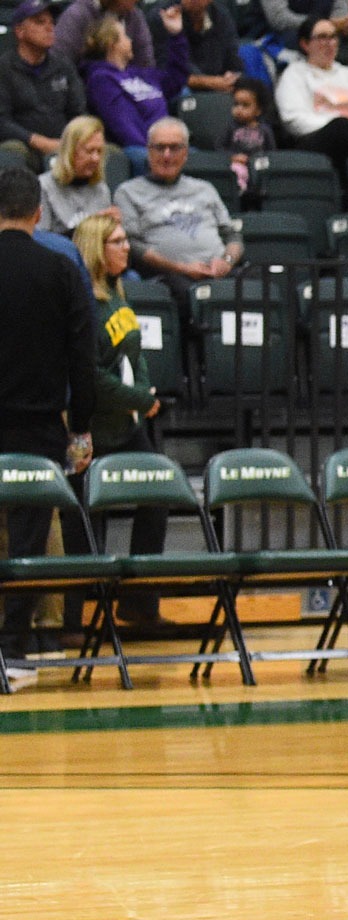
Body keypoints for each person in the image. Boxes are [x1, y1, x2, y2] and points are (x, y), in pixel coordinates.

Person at [0, 165, 95, 671]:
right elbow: (84, 358)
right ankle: (13, 647)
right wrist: (80, 426)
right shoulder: (61, 270)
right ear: (39, 212)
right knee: (29, 541)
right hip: (38, 429)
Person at [63, 211, 165, 625]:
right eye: (117, 241)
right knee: (82, 518)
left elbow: (132, 355)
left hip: (126, 426)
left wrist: (143, 394)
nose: (126, 247)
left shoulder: (119, 292)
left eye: (126, 240)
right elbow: (89, 374)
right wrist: (137, 397)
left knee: (158, 496)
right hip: (92, 425)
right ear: (95, 249)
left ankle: (139, 605)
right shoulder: (85, 301)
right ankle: (75, 618)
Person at [113, 117, 242, 314]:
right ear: (148, 151)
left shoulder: (204, 188)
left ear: (186, 153)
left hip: (220, 273)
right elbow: (133, 246)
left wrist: (227, 261)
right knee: (184, 293)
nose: (167, 155)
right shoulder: (128, 192)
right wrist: (182, 268)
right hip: (169, 278)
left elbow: (233, 236)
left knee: (259, 286)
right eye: (159, 147)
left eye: (174, 148)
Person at [274, 16, 348, 180]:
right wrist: (337, 126)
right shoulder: (294, 74)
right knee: (341, 125)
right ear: (305, 44)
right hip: (314, 142)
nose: (330, 43)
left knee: (345, 127)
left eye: (333, 37)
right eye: (322, 37)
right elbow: (293, 118)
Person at [81, 11, 192, 171]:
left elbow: (176, 80)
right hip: (140, 150)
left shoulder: (140, 74)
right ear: (112, 43)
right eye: (125, 36)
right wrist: (157, 152)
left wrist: (176, 36)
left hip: (165, 145)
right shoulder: (101, 79)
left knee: (204, 161)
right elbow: (124, 126)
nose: (130, 40)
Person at [1, 0, 89, 172]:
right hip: (26, 146)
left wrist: (72, 142)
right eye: (40, 22)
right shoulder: (4, 69)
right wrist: (38, 141)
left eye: (51, 22)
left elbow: (79, 112)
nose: (49, 28)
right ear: (20, 31)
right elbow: (2, 121)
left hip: (64, 144)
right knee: (11, 150)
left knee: (106, 151)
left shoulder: (63, 66)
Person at [37, 115, 114, 236]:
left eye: (99, 151)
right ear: (70, 151)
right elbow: (42, 239)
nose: (95, 158)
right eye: (89, 151)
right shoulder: (43, 186)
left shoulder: (101, 188)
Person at [154, 0, 241, 94]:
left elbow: (234, 58)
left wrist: (231, 76)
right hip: (180, 90)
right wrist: (211, 82)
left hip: (220, 86)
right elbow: (167, 72)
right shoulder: (165, 16)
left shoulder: (221, 15)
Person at [53, 0, 154, 71]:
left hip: (131, 91)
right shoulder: (76, 16)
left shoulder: (135, 16)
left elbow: (146, 66)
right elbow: (59, 67)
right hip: (87, 93)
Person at [223, 77, 274, 191]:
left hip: (258, 167)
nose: (239, 109)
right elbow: (219, 148)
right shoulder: (231, 127)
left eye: (245, 105)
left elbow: (271, 153)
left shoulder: (265, 130)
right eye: (236, 104)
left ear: (258, 110)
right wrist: (232, 157)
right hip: (238, 166)